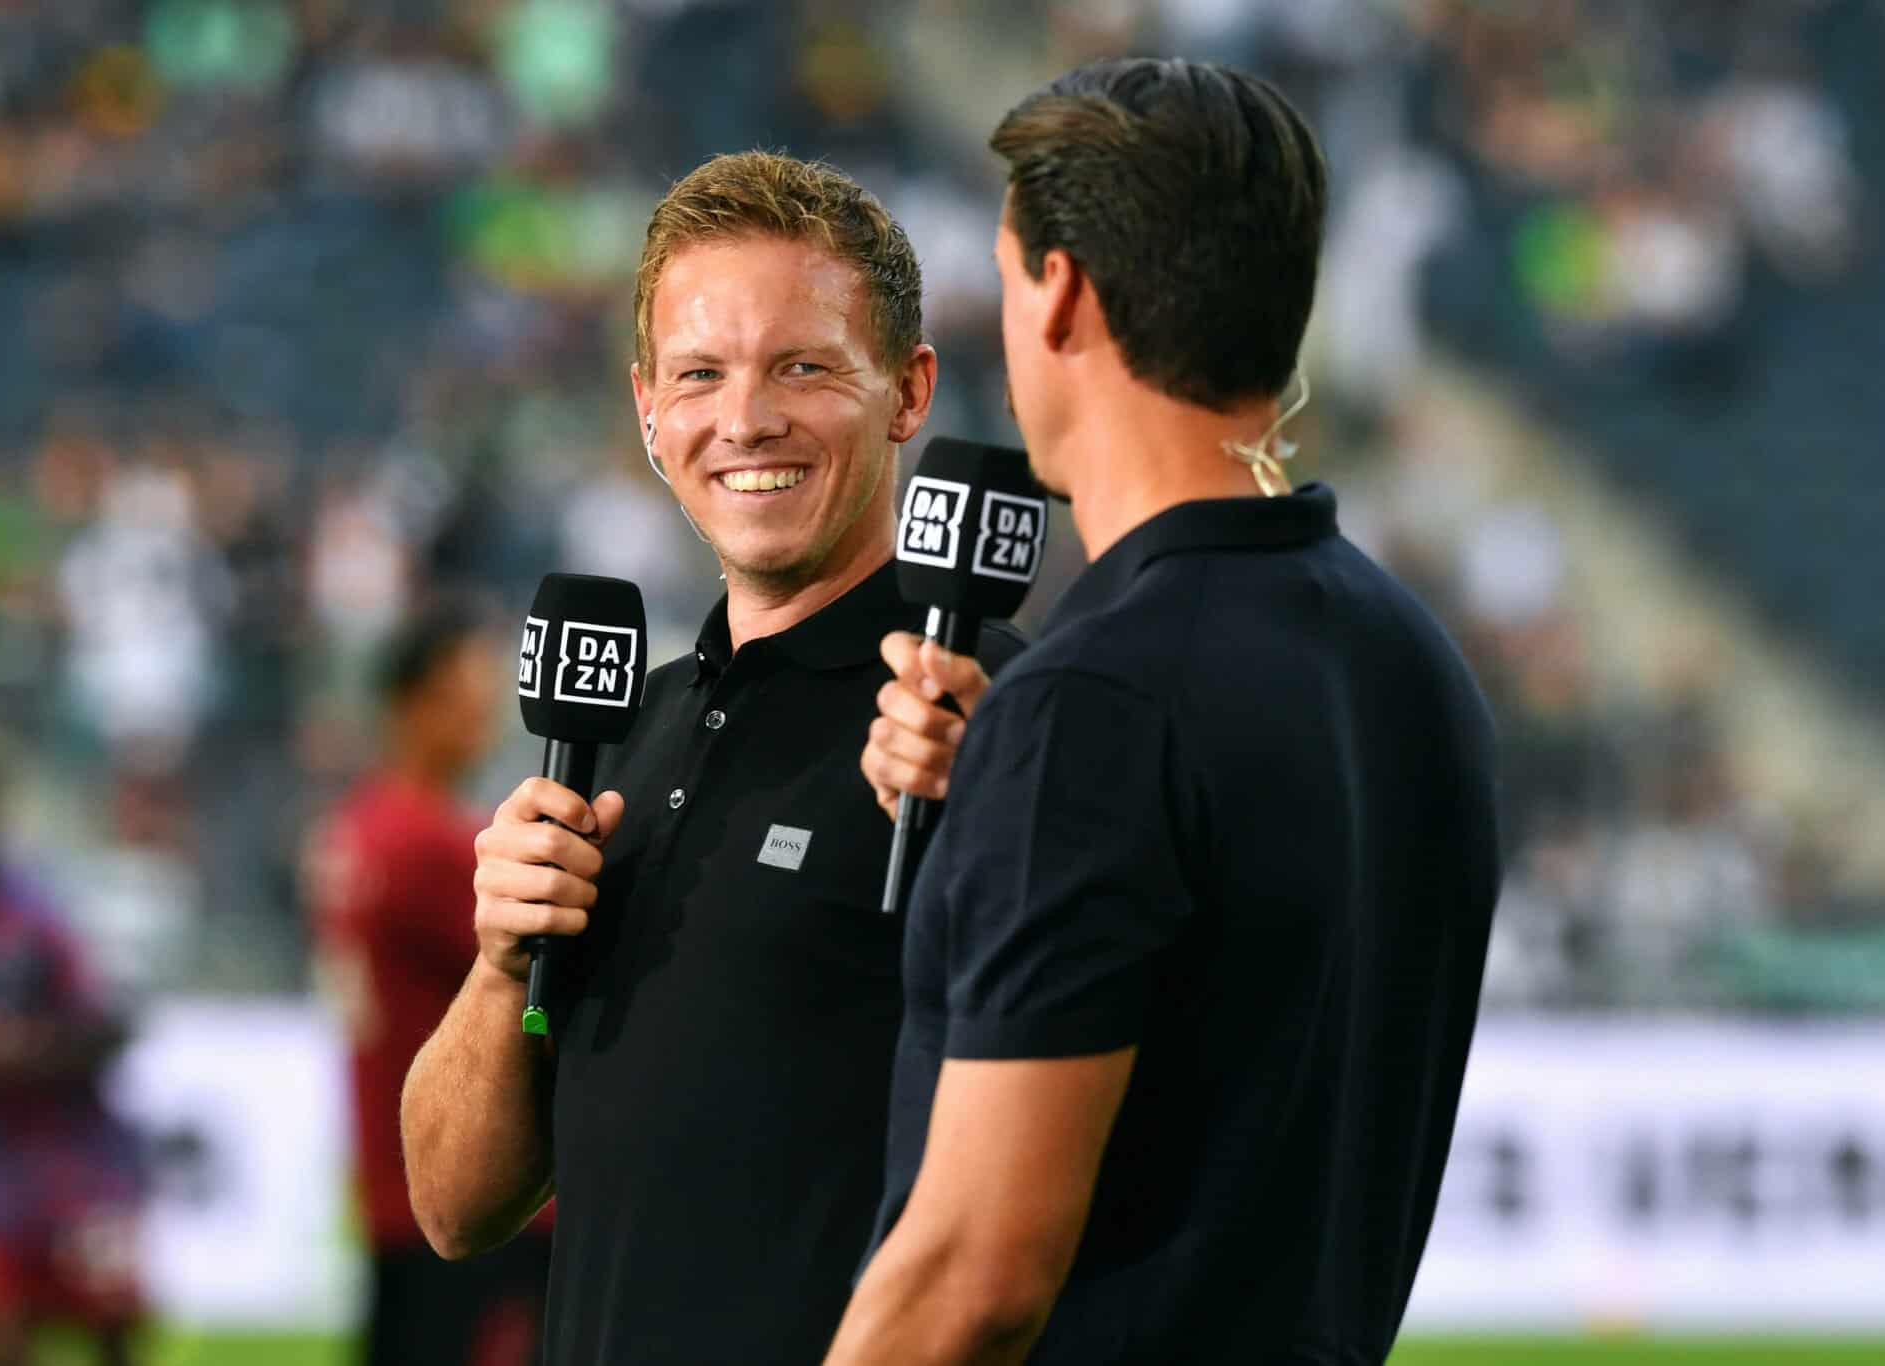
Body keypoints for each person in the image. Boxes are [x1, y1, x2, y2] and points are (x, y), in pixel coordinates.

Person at [831, 59, 1503, 1364]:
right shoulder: (1415, 662)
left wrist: (1041, 773)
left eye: (1007, 277)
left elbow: (974, 1274)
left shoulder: (1095, 709)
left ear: (1063, 292)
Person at [400, 151, 1022, 1364]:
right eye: (699, 373)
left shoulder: (986, 718)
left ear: (907, 390)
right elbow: (453, 1207)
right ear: (646, 408)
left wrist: (1010, 812)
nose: (744, 420)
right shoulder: (624, 732)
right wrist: (500, 964)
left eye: (801, 366)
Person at [305, 597, 551, 1366]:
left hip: (391, 1172)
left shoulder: (356, 829)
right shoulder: (433, 848)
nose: (485, 715)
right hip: (469, 1174)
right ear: (410, 704)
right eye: (463, 694)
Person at [0, 628, 146, 1366]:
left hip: (64, 1152)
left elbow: (108, 1022)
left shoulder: (29, 903)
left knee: (113, 1320)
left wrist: (14, 1048)